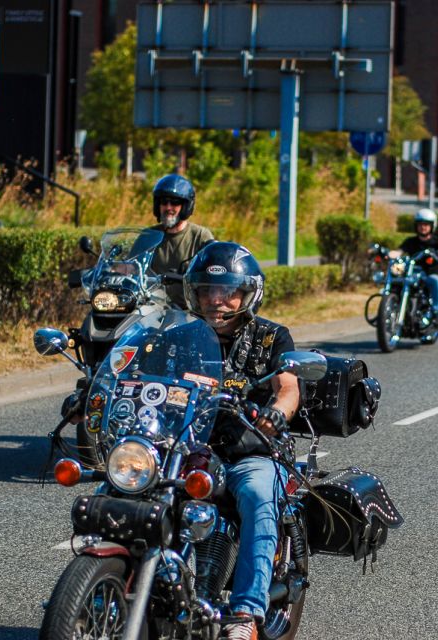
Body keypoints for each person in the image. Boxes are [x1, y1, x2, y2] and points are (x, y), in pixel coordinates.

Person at [182, 242, 300, 640]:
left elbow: (288, 387)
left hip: (250, 448)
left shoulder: (271, 336)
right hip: (187, 448)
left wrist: (276, 413)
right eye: (207, 291)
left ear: (247, 293)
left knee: (255, 494)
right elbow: (142, 371)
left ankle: (245, 613)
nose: (216, 301)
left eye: (227, 292)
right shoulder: (180, 335)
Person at [150, 174, 214, 305]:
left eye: (175, 202)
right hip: (151, 306)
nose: (168, 207)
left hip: (188, 309)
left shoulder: (200, 236)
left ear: (186, 206)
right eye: (164, 202)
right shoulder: (149, 235)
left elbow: (212, 273)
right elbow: (130, 266)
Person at [391, 208, 438, 322]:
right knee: (397, 278)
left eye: (426, 225)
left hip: (430, 272)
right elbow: (399, 251)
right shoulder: (411, 241)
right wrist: (390, 254)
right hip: (413, 272)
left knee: (435, 280)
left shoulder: (437, 241)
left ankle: (437, 309)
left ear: (432, 226)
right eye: (420, 224)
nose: (423, 227)